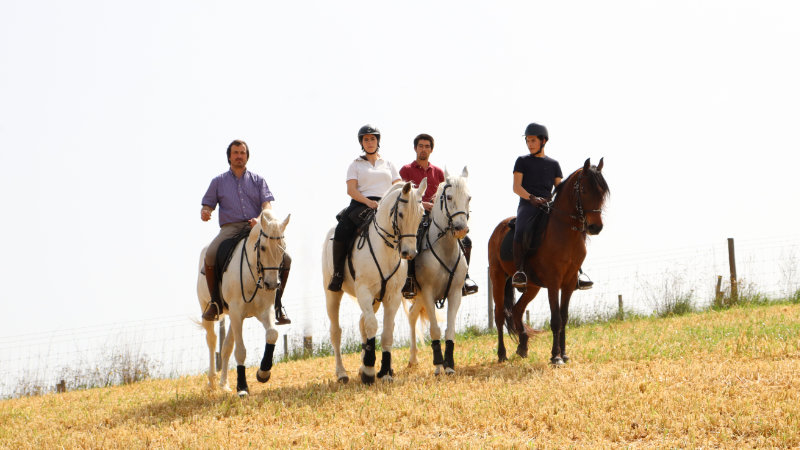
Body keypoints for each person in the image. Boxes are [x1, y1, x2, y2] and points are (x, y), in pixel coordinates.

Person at [200, 139, 292, 324]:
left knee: (287, 258)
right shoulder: (218, 181)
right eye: (235, 153)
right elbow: (208, 204)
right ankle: (215, 303)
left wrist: (259, 219)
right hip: (230, 228)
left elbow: (267, 204)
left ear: (247, 156)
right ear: (229, 157)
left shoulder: (258, 181)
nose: (239, 156)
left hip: (256, 227)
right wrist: (206, 211)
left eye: (242, 153)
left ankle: (277, 304)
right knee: (210, 254)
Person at [511, 123, 593, 290]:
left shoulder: (554, 164)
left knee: (572, 230)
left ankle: (577, 272)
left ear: (543, 141)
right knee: (521, 228)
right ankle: (520, 271)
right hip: (528, 204)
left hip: (548, 205)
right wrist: (532, 198)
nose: (529, 144)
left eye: (533, 140)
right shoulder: (522, 161)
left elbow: (559, 189)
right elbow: (516, 187)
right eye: (528, 141)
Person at [399, 133, 478, 299]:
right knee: (415, 238)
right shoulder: (406, 170)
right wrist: (422, 204)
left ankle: (465, 278)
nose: (423, 149)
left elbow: (443, 195)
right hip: (416, 216)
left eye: (427, 146)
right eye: (420, 146)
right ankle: (409, 279)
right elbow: (404, 196)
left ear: (431, 150)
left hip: (438, 216)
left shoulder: (439, 172)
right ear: (415, 148)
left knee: (466, 241)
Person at [328, 125, 401, 291]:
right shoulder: (355, 165)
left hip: (386, 205)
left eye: (372, 139)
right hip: (361, 204)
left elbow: (398, 186)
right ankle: (338, 274)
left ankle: (407, 276)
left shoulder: (389, 164)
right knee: (341, 230)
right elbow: (351, 190)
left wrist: (387, 202)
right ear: (361, 142)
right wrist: (368, 202)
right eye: (366, 139)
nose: (369, 142)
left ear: (378, 141)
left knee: (407, 229)